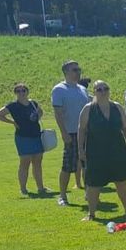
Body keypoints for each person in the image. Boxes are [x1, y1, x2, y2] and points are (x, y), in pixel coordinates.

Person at [77, 79, 126, 220]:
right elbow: (82, 130)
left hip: (117, 149)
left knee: (121, 181)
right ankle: (91, 214)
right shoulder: (88, 109)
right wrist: (80, 149)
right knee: (93, 183)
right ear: (94, 92)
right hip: (95, 151)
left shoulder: (117, 107)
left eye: (105, 89)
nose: (103, 92)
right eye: (99, 89)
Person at [0, 83, 47, 195]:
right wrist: (12, 122)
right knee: (25, 162)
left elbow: (41, 111)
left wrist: (37, 117)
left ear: (27, 92)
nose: (21, 93)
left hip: (36, 135)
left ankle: (41, 187)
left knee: (37, 162)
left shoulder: (33, 103)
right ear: (15, 93)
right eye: (18, 91)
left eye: (23, 90)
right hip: (23, 137)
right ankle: (23, 189)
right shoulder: (13, 106)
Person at [50, 60, 89, 206]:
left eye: (79, 69)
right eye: (74, 70)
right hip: (71, 133)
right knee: (67, 166)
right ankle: (62, 196)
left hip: (85, 133)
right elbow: (58, 114)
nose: (78, 72)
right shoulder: (59, 89)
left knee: (86, 164)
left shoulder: (82, 89)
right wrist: (64, 133)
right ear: (66, 72)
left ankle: (88, 193)